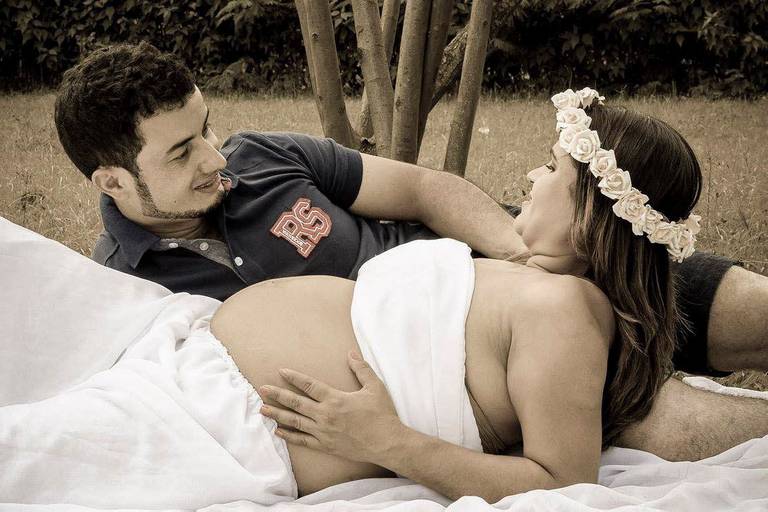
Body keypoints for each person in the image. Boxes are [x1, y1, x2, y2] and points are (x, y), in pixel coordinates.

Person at [54, 44, 767, 457]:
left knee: (749, 312)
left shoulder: (264, 157)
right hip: (476, 370)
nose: (217, 157)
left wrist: (517, 258)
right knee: (688, 423)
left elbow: (425, 190)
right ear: (112, 180)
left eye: (208, 128)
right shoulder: (128, 292)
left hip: (521, 256)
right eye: (184, 151)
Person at [205, 90, 767, 500]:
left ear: (589, 214)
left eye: (552, 167)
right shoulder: (536, 283)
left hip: (243, 429)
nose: (533, 176)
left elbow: (562, 483)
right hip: (216, 387)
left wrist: (388, 442)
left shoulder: (566, 310)